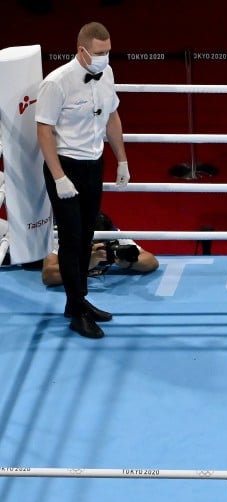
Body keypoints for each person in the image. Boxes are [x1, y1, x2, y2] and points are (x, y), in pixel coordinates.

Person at [36, 21, 129, 339]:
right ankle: (76, 311)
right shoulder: (57, 82)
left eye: (109, 51)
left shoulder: (109, 74)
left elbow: (113, 116)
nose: (106, 57)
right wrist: (59, 176)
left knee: (87, 236)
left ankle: (79, 301)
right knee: (72, 239)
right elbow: (44, 130)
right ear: (82, 51)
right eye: (100, 52)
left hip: (94, 164)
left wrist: (122, 159)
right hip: (65, 166)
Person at [41, 212, 159, 286]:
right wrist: (87, 263)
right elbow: (48, 276)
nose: (102, 246)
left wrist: (128, 263)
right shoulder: (62, 234)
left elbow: (151, 261)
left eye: (104, 243)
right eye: (95, 243)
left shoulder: (109, 232)